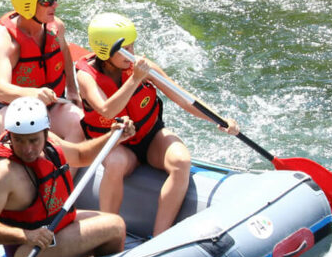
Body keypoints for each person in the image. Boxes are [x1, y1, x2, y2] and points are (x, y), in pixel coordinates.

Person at [75, 13, 240, 236]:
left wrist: (219, 119)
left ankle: (159, 235)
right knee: (113, 163)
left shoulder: (143, 67)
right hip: (118, 145)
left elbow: (183, 98)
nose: (131, 54)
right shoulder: (87, 77)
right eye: (125, 50)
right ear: (106, 51)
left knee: (181, 160)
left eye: (132, 47)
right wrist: (134, 80)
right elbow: (106, 110)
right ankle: (108, 232)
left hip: (150, 137)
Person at [0, 97, 131, 257]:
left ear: (46, 133)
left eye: (33, 140)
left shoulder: (50, 143)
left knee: (110, 222)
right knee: (115, 227)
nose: (27, 149)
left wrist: (114, 137)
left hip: (55, 227)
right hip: (27, 250)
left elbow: (80, 156)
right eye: (19, 140)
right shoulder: (2, 171)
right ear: (9, 135)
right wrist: (26, 236)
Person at [0, 0, 83, 142]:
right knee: (38, 138)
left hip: (53, 104)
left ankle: (66, 169)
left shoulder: (56, 27)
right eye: (47, 1)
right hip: (14, 108)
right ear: (28, 5)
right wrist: (32, 93)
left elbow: (65, 53)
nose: (55, 4)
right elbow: (2, 89)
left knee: (79, 124)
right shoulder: (5, 40)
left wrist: (72, 89)